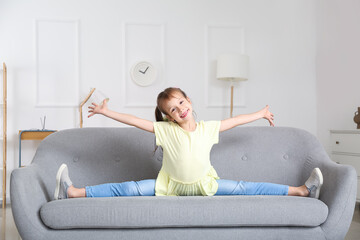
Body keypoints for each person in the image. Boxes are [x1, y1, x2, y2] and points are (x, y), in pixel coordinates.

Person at [54, 87, 323, 200]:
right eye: (172, 109)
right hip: (168, 187)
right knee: (129, 188)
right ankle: (75, 192)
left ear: (190, 102)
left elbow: (236, 120)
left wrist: (261, 113)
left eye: (181, 103)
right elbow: (134, 120)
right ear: (167, 116)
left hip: (206, 186)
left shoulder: (208, 128)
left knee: (247, 187)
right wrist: (106, 112)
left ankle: (300, 190)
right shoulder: (165, 131)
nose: (179, 109)